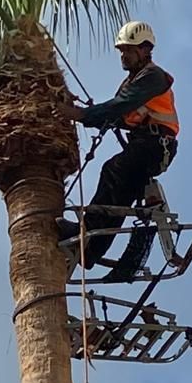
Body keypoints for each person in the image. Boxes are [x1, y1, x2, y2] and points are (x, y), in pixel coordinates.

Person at [54, 20, 179, 282]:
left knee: (115, 171)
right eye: (122, 50)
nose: (124, 56)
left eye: (129, 50)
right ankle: (90, 244)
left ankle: (89, 241)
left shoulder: (153, 77)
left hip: (156, 146)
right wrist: (87, 112)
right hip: (144, 145)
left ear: (145, 50)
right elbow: (118, 115)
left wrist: (78, 114)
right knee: (117, 185)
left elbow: (118, 107)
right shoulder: (132, 81)